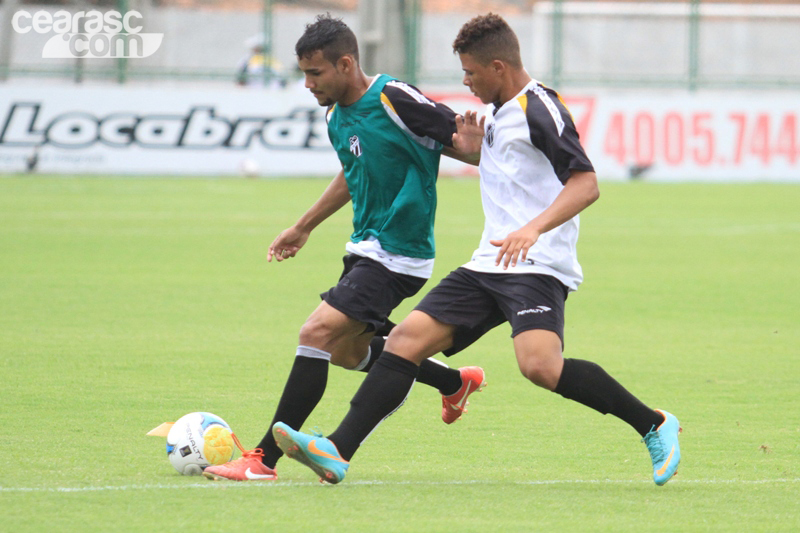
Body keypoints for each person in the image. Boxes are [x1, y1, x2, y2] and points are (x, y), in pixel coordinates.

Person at [271, 13, 682, 487]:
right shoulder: (494, 116)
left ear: (499, 67)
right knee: (405, 340)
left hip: (538, 265)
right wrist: (469, 147)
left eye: (470, 72)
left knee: (540, 367)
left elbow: (585, 183)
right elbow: (500, 165)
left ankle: (653, 423)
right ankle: (338, 450)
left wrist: (534, 229)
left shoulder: (540, 107)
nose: (465, 82)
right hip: (488, 262)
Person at [204, 14, 486, 482]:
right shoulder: (336, 113)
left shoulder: (393, 98)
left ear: (346, 63)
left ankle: (262, 461)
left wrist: (472, 148)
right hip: (364, 248)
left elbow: (457, 141)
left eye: (315, 74)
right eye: (304, 75)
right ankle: (454, 381)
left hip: (399, 252)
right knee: (346, 352)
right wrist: (304, 226)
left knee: (316, 333)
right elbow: (352, 173)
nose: (308, 85)